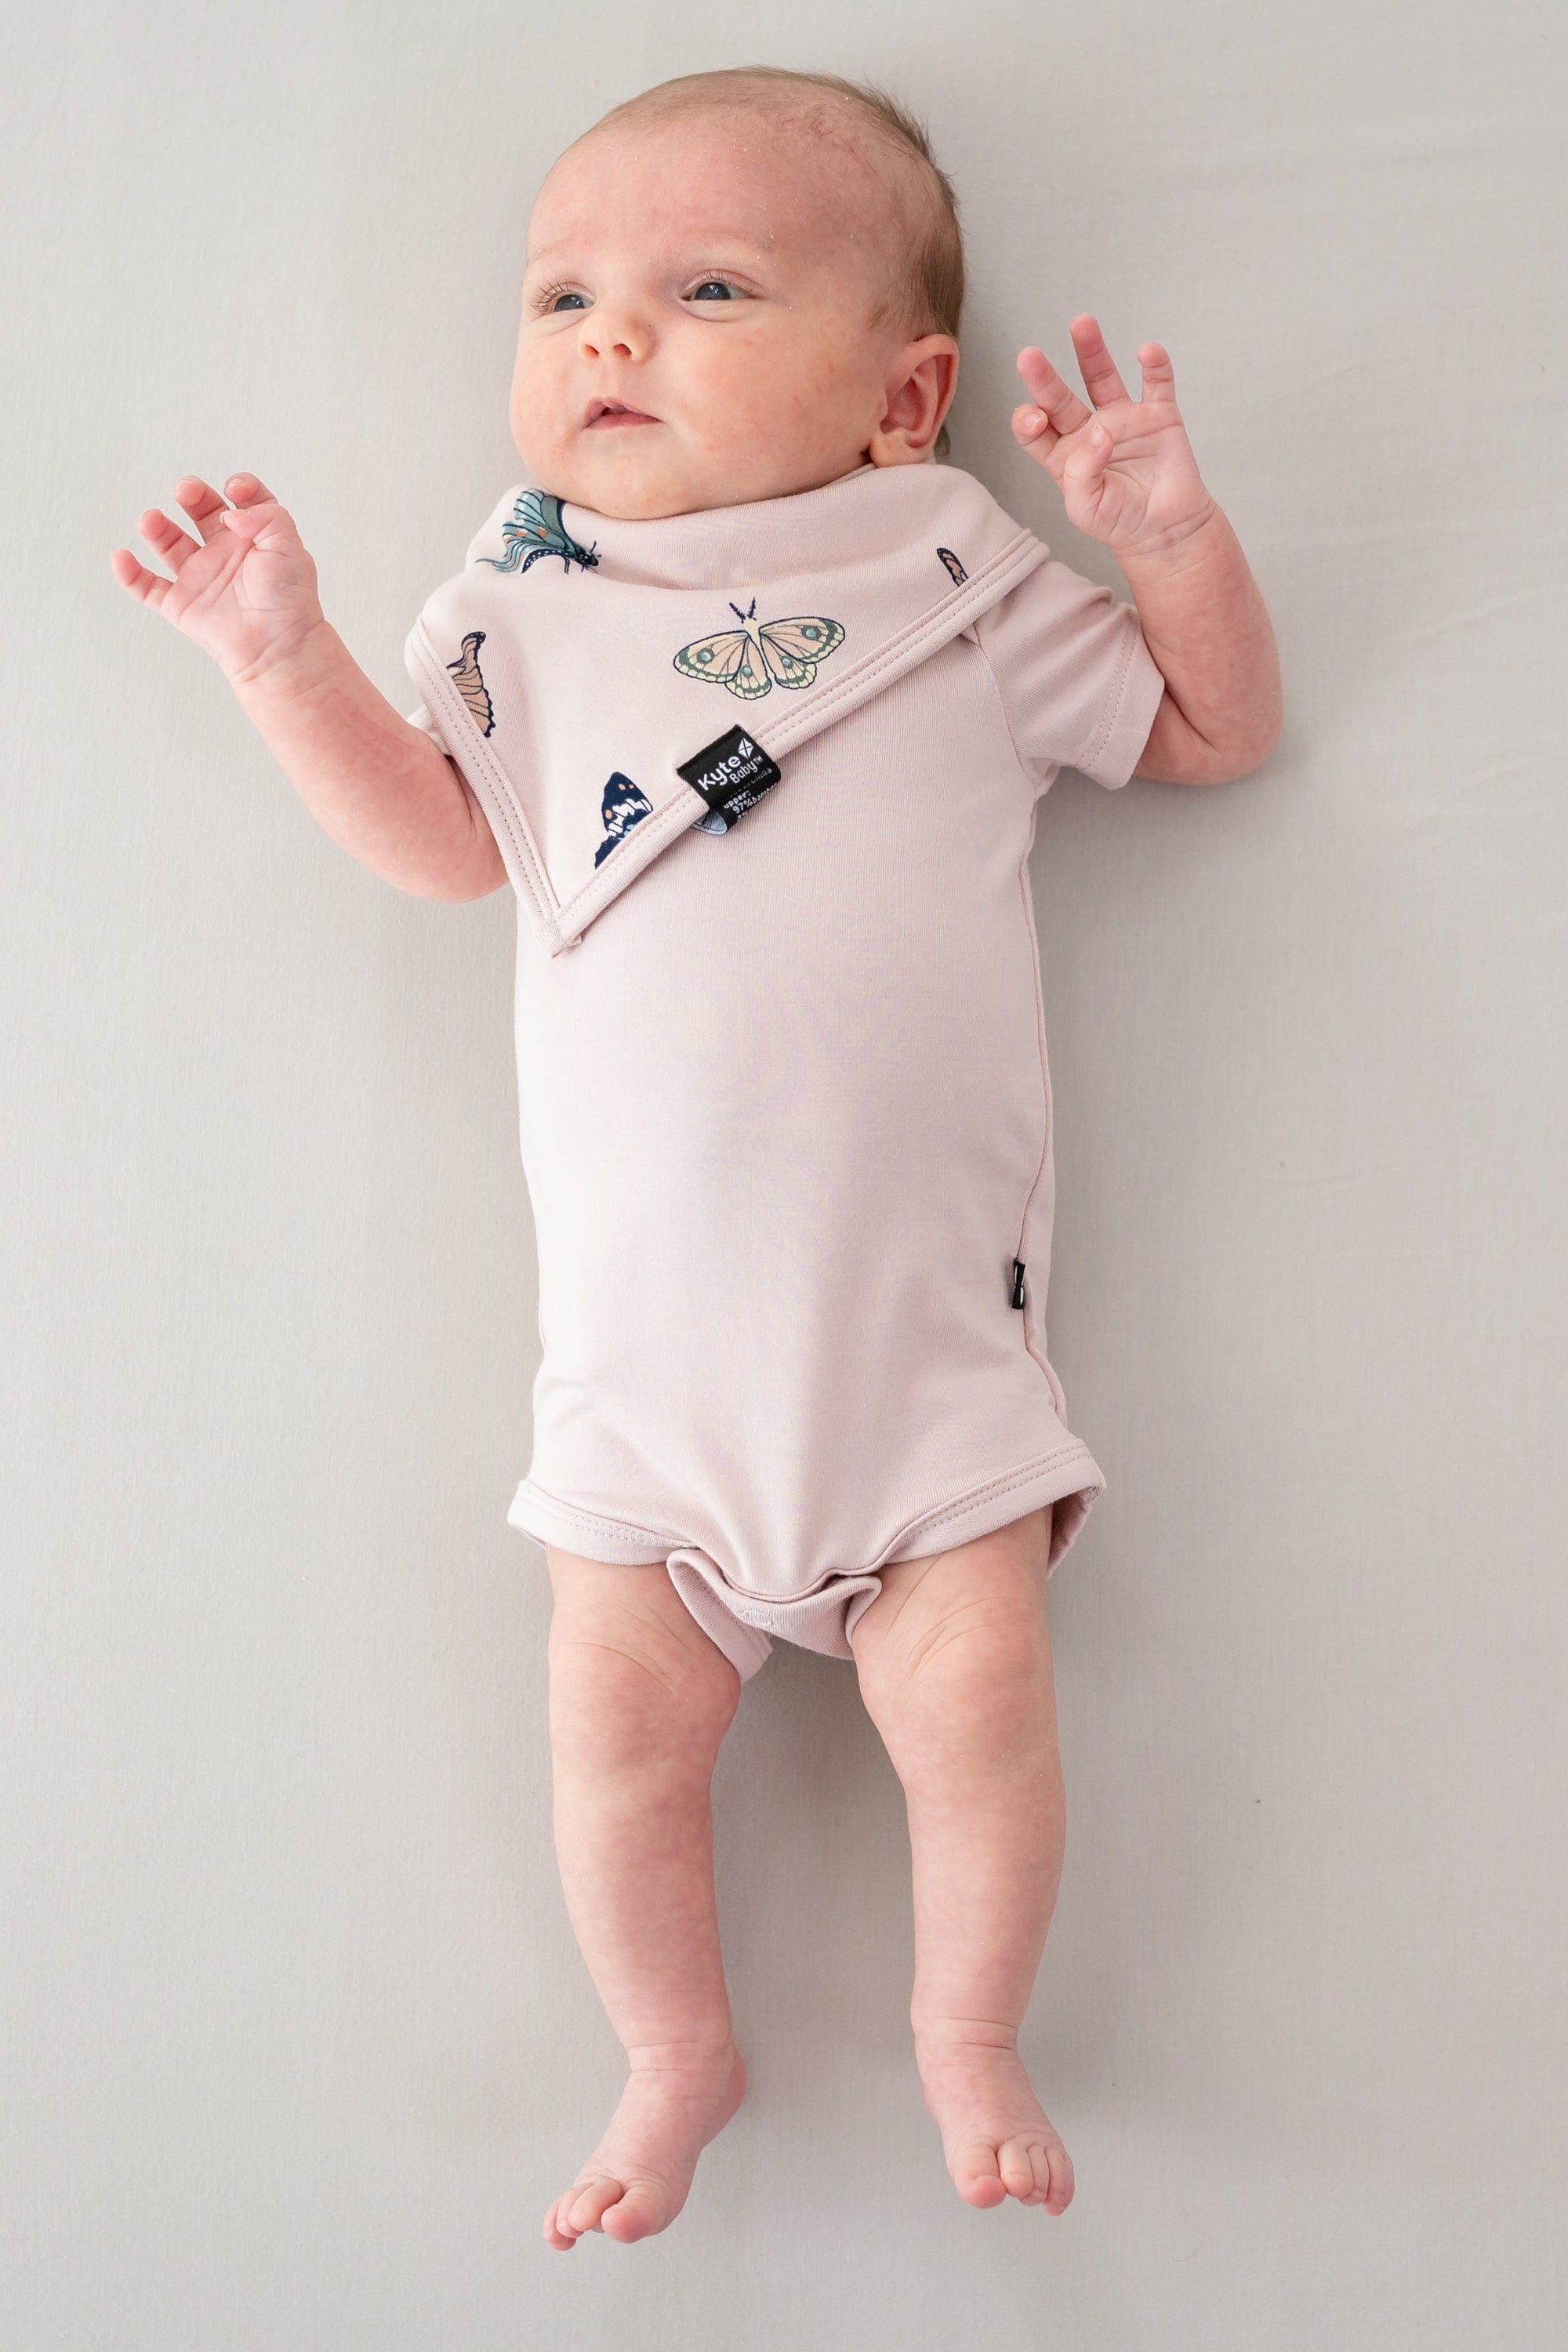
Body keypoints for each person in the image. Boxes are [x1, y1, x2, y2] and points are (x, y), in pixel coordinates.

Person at [110, 64, 1282, 2251]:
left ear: (902, 392)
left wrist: (1167, 539)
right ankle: (672, 2049)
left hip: (927, 1385)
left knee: (981, 1716)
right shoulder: (522, 600)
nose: (608, 337)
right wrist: (286, 667)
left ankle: (966, 2030)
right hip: (644, 1407)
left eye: (706, 286)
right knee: (617, 1748)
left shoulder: (947, 570)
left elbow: (1213, 731)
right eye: (562, 296)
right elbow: (448, 852)